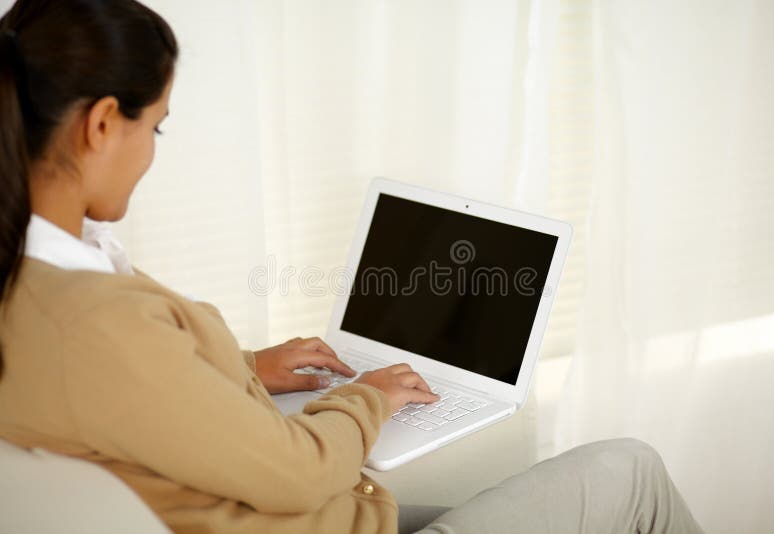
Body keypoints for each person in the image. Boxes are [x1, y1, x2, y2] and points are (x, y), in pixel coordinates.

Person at [0, 1, 705, 533]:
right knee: (630, 471)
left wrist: (248, 367)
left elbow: (131, 400)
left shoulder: (34, 283)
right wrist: (368, 395)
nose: (153, 149)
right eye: (154, 126)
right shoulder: (89, 319)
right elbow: (297, 472)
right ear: (99, 125)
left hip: (324, 516)